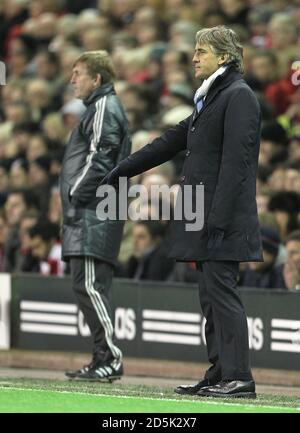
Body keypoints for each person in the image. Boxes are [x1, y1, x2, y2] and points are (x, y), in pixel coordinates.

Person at [102, 26, 262, 398]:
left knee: (222, 293)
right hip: (202, 213)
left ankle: (239, 377)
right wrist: (126, 167)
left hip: (220, 217)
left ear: (224, 57)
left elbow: (237, 166)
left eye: (202, 51)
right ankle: (221, 372)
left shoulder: (238, 96)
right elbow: (172, 140)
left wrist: (218, 220)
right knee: (209, 296)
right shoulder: (211, 98)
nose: (194, 57)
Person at [59, 50, 131, 381]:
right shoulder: (98, 108)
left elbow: (101, 158)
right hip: (91, 211)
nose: (72, 79)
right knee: (88, 286)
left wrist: (74, 194)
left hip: (93, 212)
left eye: (78, 73)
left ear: (97, 79)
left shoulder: (104, 107)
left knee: (89, 286)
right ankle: (102, 358)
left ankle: (110, 357)